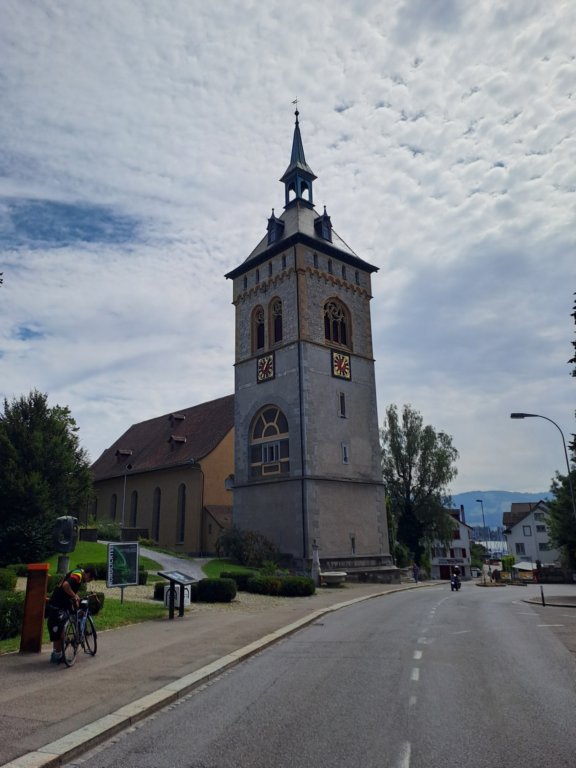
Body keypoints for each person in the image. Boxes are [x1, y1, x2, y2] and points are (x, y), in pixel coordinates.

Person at [46, 566, 96, 663]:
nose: (89, 581)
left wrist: (74, 598)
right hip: (57, 604)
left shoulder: (77, 573)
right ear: (88, 574)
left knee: (74, 613)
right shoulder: (78, 576)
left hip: (63, 602)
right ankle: (57, 654)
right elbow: (66, 585)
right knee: (58, 629)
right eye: (90, 579)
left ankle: (66, 645)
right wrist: (74, 596)